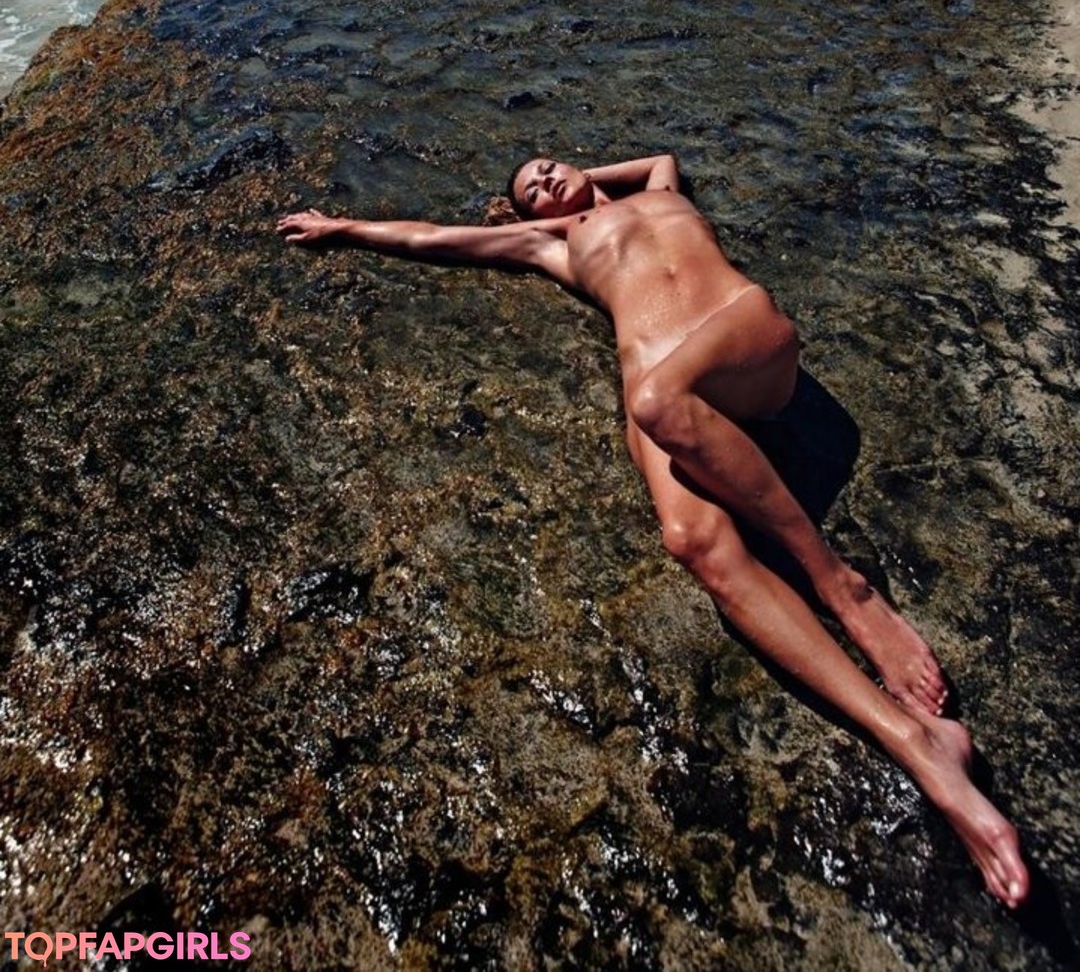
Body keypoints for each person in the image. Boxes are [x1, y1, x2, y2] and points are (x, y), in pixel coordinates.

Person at [277, 151, 1028, 906]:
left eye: (549, 166)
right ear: (527, 216)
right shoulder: (552, 244)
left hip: (741, 343)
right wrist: (342, 226)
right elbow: (433, 238)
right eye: (531, 190)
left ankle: (842, 586)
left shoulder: (664, 189)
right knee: (695, 544)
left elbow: (662, 158)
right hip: (663, 394)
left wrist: (593, 181)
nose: (545, 181)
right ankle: (920, 747)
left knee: (656, 401)